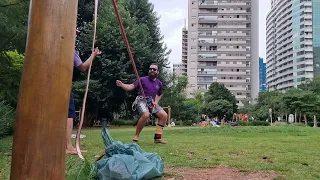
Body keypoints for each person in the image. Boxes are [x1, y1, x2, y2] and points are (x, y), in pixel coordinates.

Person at [66, 31, 102, 154]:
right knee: (68, 114)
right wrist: (93, 55)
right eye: (74, 33)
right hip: (63, 84)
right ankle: (68, 146)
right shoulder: (69, 49)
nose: (76, 35)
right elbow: (82, 67)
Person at [116, 64, 168, 144]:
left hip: (151, 102)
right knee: (146, 115)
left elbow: (159, 94)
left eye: (154, 69)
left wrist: (155, 102)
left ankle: (157, 138)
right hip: (141, 101)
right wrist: (122, 85)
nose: (152, 70)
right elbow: (130, 87)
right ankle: (136, 135)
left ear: (158, 72)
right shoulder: (142, 80)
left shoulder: (159, 83)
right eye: (150, 69)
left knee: (164, 115)